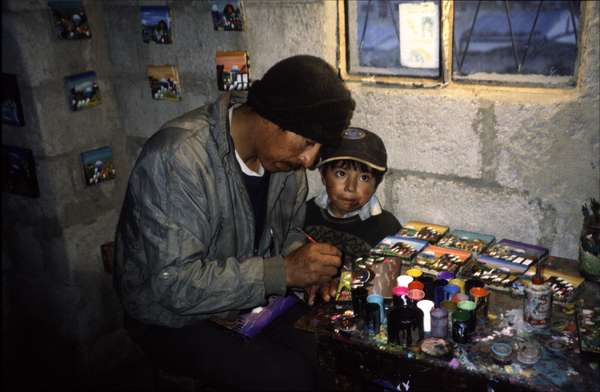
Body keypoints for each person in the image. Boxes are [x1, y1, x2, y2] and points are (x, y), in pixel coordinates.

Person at [113, 55, 355, 390]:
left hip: (242, 301)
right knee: (286, 378)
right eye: (307, 142)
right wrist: (283, 271)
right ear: (272, 119)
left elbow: (284, 236)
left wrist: (308, 270)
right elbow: (173, 286)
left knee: (331, 352)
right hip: (171, 318)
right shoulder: (177, 159)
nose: (310, 160)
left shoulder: (285, 168)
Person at [304, 127, 402, 303]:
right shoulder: (305, 213)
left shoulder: (387, 227)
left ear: (376, 183)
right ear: (323, 176)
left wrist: (345, 283)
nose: (351, 187)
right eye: (341, 174)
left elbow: (387, 286)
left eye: (364, 177)